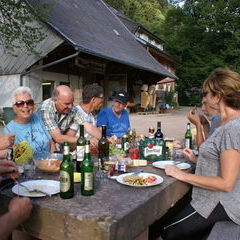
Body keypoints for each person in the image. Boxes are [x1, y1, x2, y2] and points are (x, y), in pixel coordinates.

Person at [159, 68, 240, 240]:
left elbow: (226, 183)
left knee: (167, 231)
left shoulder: (233, 128)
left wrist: (180, 174)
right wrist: (197, 159)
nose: (203, 99)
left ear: (218, 95)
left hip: (221, 202)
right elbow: (221, 159)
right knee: (162, 218)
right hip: (209, 197)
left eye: (206, 94)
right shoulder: (223, 122)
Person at [3, 87, 54, 155]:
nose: (25, 106)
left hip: (48, 163)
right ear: (14, 108)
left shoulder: (37, 118)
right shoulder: (9, 130)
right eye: (20, 103)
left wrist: (54, 160)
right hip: (28, 165)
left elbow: (51, 142)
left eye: (29, 102)